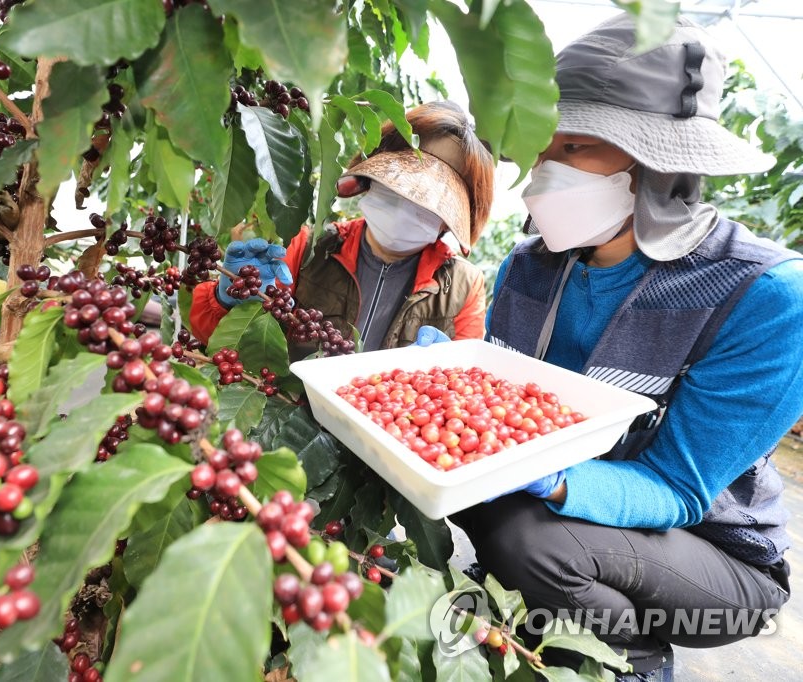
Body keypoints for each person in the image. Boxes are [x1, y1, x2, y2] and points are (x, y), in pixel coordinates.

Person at [417, 15, 803, 680]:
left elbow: (680, 487)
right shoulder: (531, 268)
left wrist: (555, 479)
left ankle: (627, 660)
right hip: (578, 521)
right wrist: (448, 385)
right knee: (467, 489)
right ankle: (539, 613)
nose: (542, 172)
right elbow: (508, 406)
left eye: (576, 148)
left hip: (715, 563)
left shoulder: (763, 295)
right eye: (543, 148)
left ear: (660, 163)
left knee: (526, 537)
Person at [189, 101, 495, 356]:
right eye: (397, 185)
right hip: (290, 420)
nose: (406, 203)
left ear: (452, 220)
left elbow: (460, 396)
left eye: (431, 201)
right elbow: (218, 341)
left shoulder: (463, 287)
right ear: (371, 180)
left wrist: (449, 368)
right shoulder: (310, 248)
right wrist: (227, 297)